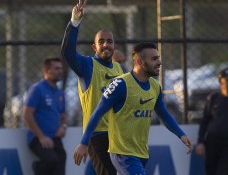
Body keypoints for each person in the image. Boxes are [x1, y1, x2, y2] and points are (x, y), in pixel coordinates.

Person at [73, 42, 193, 175]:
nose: (159, 62)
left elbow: (164, 114)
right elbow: (97, 113)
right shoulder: (120, 84)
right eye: (154, 59)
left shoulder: (155, 87)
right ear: (140, 61)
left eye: (158, 58)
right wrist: (84, 143)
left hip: (141, 153)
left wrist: (181, 134)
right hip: (122, 154)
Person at [60, 0, 124, 175]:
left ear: (114, 46)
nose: (106, 45)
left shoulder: (120, 69)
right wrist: (74, 22)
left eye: (110, 41)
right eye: (101, 41)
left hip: (118, 136)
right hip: (98, 136)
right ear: (94, 47)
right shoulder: (88, 66)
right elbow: (67, 52)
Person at [23, 57, 67, 175]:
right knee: (51, 160)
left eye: (61, 68)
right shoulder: (37, 89)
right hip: (38, 138)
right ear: (47, 71)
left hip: (55, 138)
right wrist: (41, 136)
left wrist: (63, 126)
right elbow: (27, 115)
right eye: (56, 68)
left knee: (61, 160)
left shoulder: (60, 93)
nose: (60, 71)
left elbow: (63, 115)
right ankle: (37, 168)